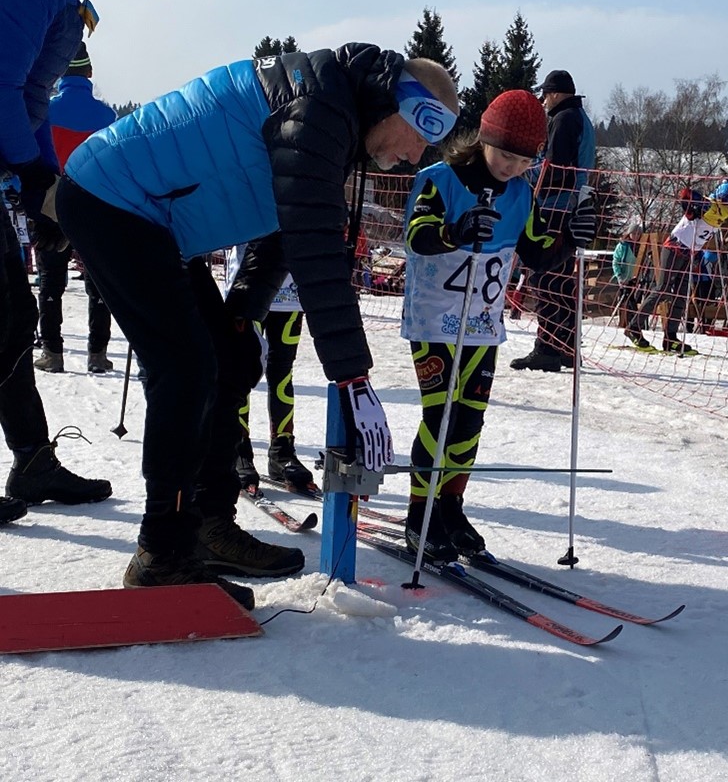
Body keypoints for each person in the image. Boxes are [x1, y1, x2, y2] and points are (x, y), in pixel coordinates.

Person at [56, 44, 458, 607]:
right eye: (419, 131)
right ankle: (162, 555)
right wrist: (354, 378)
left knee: (232, 355)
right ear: (392, 101)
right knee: (186, 370)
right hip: (110, 199)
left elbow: (283, 222)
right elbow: (315, 248)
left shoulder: (334, 111)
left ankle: (208, 524)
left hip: (152, 219)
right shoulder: (321, 109)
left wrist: (243, 311)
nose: (416, 155)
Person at [401, 90, 590, 561]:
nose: (511, 166)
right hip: (434, 322)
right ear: (484, 139)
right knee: (439, 413)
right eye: (505, 154)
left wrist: (570, 237)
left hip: (482, 325)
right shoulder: (438, 180)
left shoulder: (522, 194)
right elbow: (416, 235)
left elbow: (536, 252)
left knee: (469, 418)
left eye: (524, 160)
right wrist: (455, 231)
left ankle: (450, 507)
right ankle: (418, 511)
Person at [0, 0, 125, 527]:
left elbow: (29, 96)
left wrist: (43, 178)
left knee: (14, 316)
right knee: (5, 317)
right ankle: (30, 459)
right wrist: (27, 169)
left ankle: (31, 460)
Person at [34, 42, 118, 375]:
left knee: (50, 283)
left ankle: (52, 354)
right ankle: (97, 354)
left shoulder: (45, 109)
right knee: (98, 285)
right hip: (95, 207)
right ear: (89, 73)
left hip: (52, 205)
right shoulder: (108, 116)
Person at [510, 69, 597, 372]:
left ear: (556, 93)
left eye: (545, 95)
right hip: (570, 207)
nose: (543, 101)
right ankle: (566, 348)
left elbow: (555, 169)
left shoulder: (563, 119)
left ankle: (547, 347)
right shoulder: (579, 118)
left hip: (554, 208)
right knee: (561, 282)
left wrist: (525, 171)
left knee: (544, 278)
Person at [223, 250, 316, 494]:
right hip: (247, 286)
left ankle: (282, 451)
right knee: (240, 370)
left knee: (282, 372)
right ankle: (238, 449)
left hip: (290, 292)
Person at [627, 181, 728, 354]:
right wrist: (695, 207)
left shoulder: (722, 213)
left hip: (689, 253)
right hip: (675, 248)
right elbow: (685, 195)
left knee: (682, 295)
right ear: (727, 200)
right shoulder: (710, 206)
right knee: (663, 289)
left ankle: (670, 337)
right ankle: (633, 327)